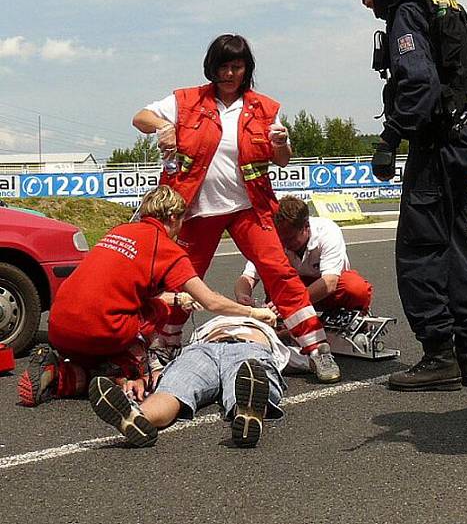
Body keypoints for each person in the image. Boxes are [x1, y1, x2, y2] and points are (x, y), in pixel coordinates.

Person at [132, 34, 340, 384]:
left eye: (237, 67)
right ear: (211, 67)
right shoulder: (185, 100)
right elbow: (140, 117)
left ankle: (317, 349)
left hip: (250, 209)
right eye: (223, 66)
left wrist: (282, 144)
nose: (229, 73)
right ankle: (164, 347)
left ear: (247, 69)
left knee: (280, 273)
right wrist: (164, 126)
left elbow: (282, 160)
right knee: (183, 281)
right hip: (195, 211)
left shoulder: (264, 108)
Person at [17, 186, 276, 407]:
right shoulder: (166, 249)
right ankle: (132, 369)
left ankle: (60, 373)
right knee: (152, 323)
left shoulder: (118, 231)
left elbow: (116, 289)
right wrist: (254, 312)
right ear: (174, 217)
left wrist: (173, 299)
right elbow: (210, 301)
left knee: (105, 352)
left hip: (59, 328)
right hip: (101, 331)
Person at [359, 0, 467, 391]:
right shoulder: (440, 7)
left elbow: (418, 82)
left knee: (420, 248)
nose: (374, 13)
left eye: (372, 4)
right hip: (465, 137)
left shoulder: (407, 14)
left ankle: (438, 353)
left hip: (436, 143)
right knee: (455, 242)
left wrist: (390, 138)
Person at [88, 313, 288, 448]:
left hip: (248, 346)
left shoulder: (269, 331)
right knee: (176, 384)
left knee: (249, 375)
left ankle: (247, 412)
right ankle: (138, 417)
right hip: (203, 347)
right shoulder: (220, 320)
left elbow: (304, 355)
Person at [235, 194, 373, 315]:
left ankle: (356, 317)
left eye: (290, 238)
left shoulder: (327, 231)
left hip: (325, 292)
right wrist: (243, 295)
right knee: (271, 276)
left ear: (306, 226)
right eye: (281, 239)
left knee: (355, 287)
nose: (285, 244)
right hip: (292, 291)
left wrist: (292, 302)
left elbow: (330, 282)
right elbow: (248, 277)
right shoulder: (273, 237)